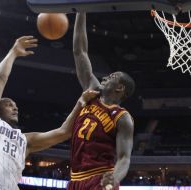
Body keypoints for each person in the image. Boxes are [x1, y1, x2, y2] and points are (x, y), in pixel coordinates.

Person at [0, 36, 99, 190]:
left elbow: (64, 132)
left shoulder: (25, 141)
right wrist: (13, 53)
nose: (15, 108)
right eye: (9, 105)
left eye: (15, 106)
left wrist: (80, 102)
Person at [68, 13, 136, 190]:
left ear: (120, 88)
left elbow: (124, 158)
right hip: (75, 180)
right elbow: (79, 51)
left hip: (100, 178)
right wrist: (80, 11)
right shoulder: (92, 91)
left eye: (112, 76)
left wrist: (114, 178)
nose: (105, 77)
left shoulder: (122, 118)